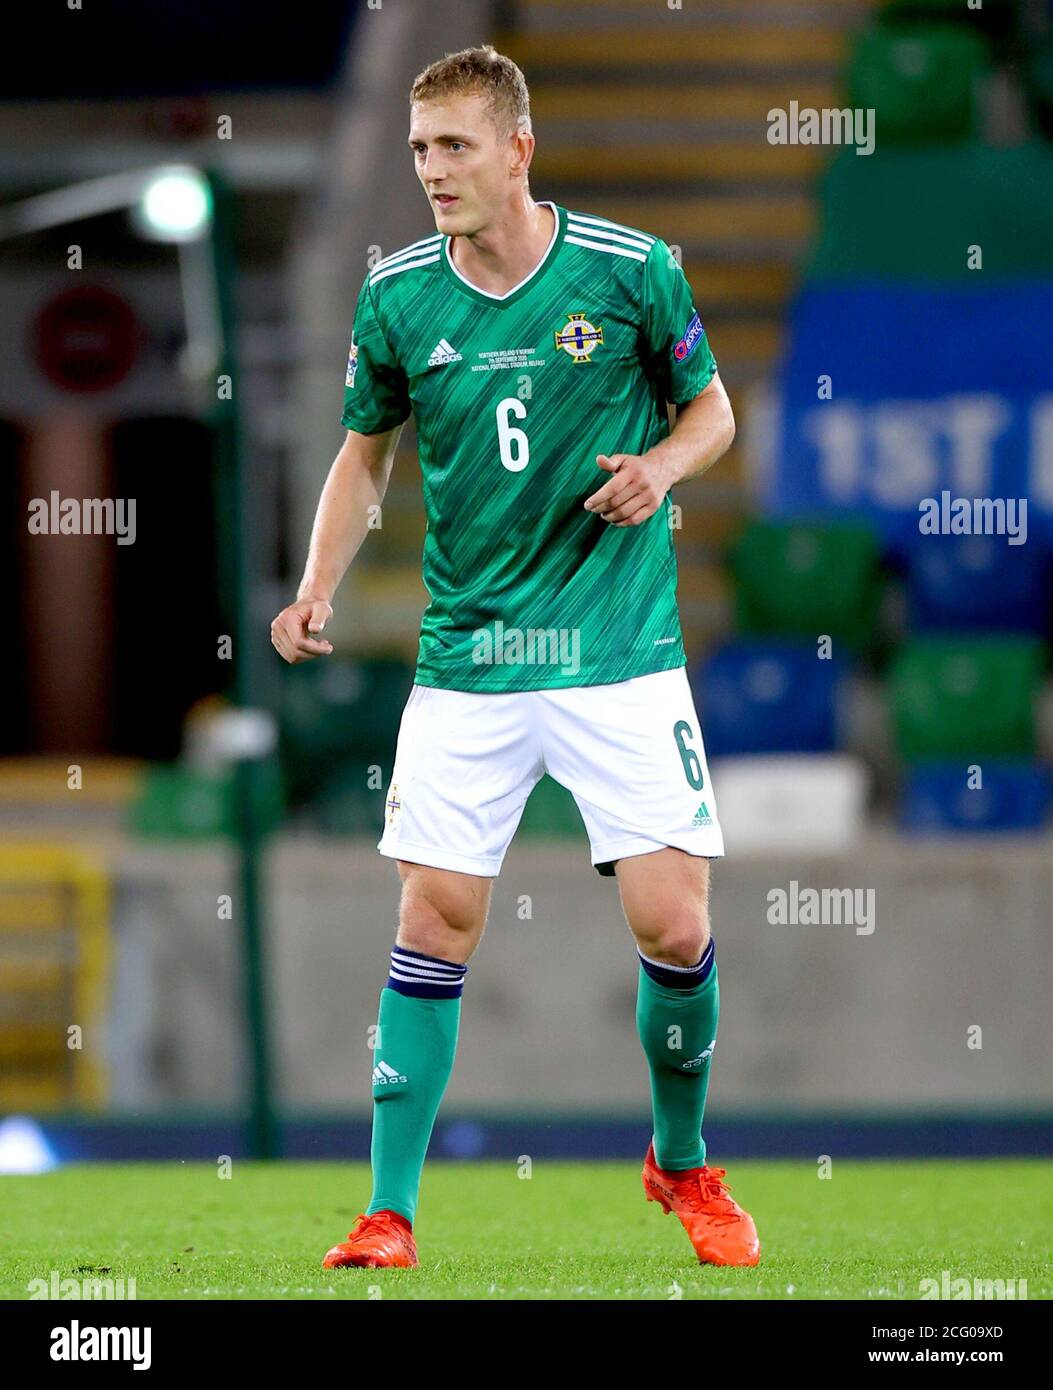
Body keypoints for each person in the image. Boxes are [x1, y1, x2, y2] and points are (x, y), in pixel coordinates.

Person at [271, 44, 759, 1271]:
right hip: (471, 660)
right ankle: (389, 1212)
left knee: (672, 922)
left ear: (519, 148)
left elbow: (714, 413)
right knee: (433, 919)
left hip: (617, 647)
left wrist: (661, 468)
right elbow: (364, 454)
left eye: (456, 147)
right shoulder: (398, 299)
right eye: (422, 147)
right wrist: (316, 582)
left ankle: (682, 1160)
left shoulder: (633, 270)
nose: (433, 170)